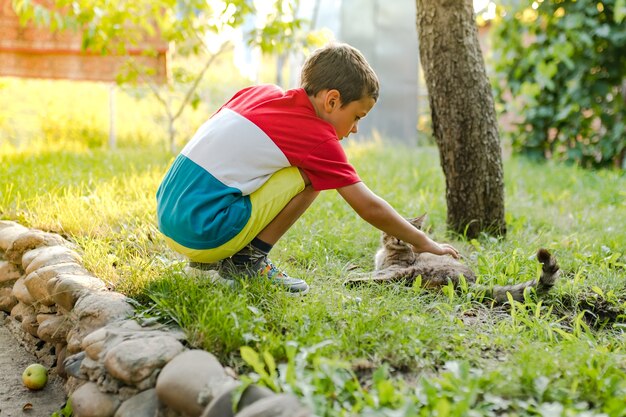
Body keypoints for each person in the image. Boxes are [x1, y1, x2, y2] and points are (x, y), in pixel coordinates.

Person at [156, 42, 459, 296]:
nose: (354, 129)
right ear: (332, 100)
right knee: (312, 175)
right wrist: (425, 243)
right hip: (204, 234)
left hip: (169, 216)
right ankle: (247, 261)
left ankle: (213, 262)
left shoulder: (258, 93)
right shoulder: (317, 137)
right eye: (357, 117)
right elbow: (369, 207)